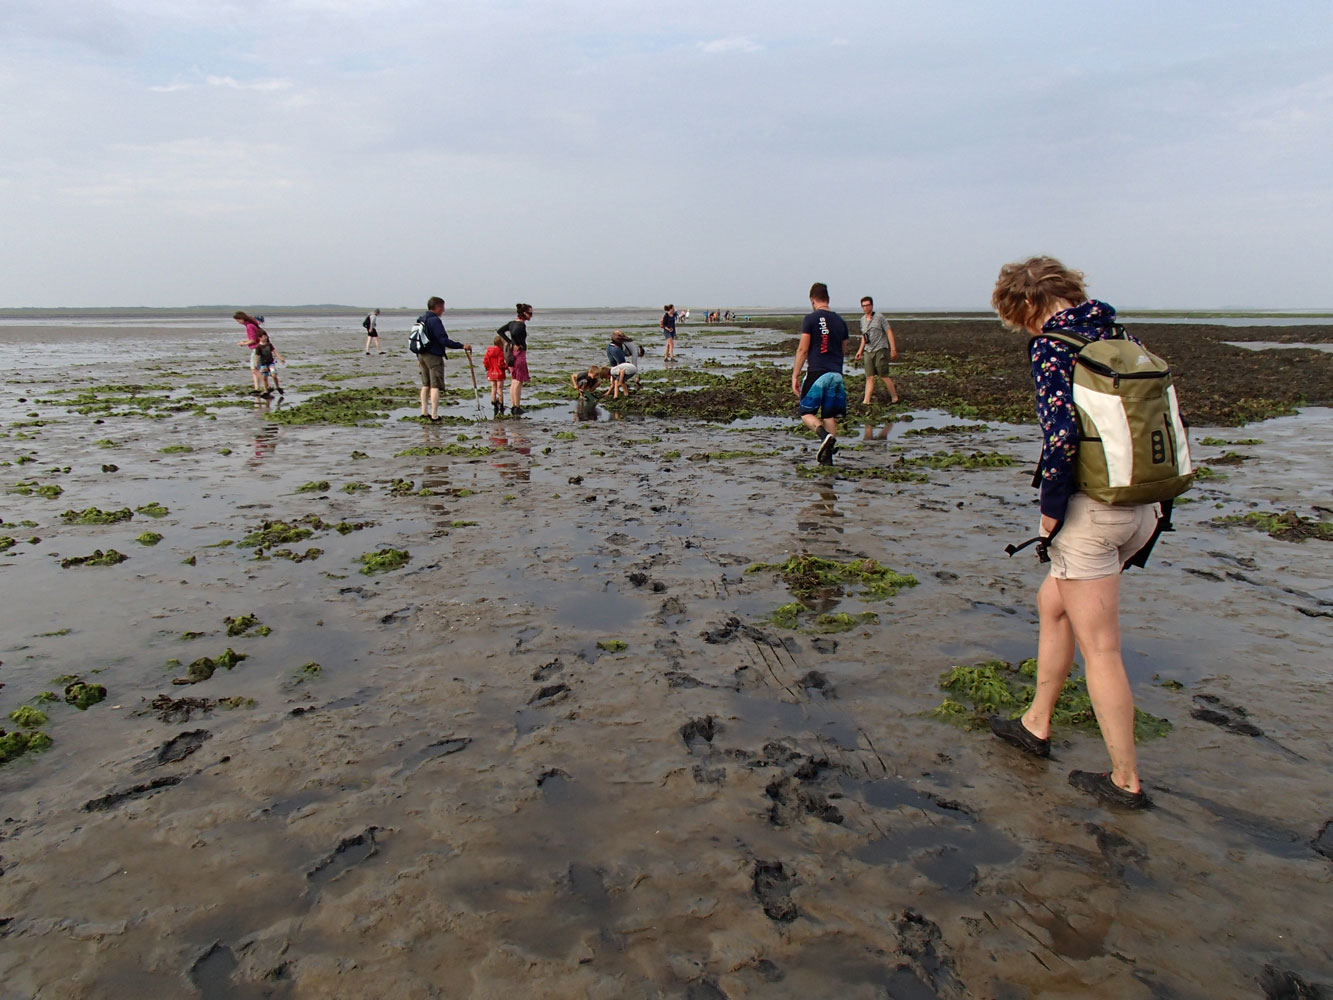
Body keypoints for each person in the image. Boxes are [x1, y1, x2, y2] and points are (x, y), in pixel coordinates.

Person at [987, 255, 1161, 810]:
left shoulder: (1053, 346)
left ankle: (1125, 782)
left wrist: (1050, 514)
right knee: (1052, 602)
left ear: (1030, 305)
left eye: (1021, 318)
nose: (1024, 330)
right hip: (1144, 504)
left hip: (1094, 512)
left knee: (1102, 648)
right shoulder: (1116, 333)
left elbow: (1061, 437)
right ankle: (1036, 722)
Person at [791, 282, 849, 465]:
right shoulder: (841, 322)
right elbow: (843, 348)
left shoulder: (811, 319)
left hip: (817, 372)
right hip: (836, 374)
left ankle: (824, 435)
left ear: (812, 300)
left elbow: (803, 349)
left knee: (806, 412)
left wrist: (795, 375)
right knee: (829, 416)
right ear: (828, 299)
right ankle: (828, 458)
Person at [415, 296, 471, 423]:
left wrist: (418, 357)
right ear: (437, 306)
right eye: (442, 307)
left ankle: (424, 412)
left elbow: (417, 339)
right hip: (433, 356)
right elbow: (443, 340)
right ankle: (434, 415)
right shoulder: (434, 320)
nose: (443, 310)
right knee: (435, 385)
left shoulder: (421, 319)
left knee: (425, 384)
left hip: (421, 354)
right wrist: (461, 346)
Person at [854, 295, 899, 405]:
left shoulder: (879, 317)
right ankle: (866, 401)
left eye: (868, 305)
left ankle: (894, 397)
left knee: (883, 375)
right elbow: (864, 337)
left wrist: (893, 349)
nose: (866, 308)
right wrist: (860, 351)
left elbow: (889, 331)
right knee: (869, 376)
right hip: (868, 351)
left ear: (872, 305)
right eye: (863, 306)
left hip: (880, 349)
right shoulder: (862, 320)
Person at [497, 303, 533, 415]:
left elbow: (500, 331)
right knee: (518, 380)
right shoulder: (521, 325)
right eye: (530, 313)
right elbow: (511, 332)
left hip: (512, 354)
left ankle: (514, 405)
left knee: (514, 380)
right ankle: (516, 406)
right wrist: (516, 343)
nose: (531, 316)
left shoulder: (512, 323)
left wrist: (510, 342)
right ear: (524, 313)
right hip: (519, 354)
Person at [233, 310, 265, 394]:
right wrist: (245, 341)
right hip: (260, 348)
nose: (238, 322)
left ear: (241, 319)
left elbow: (253, 340)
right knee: (255, 369)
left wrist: (243, 344)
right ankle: (257, 388)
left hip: (257, 349)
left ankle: (267, 386)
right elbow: (254, 338)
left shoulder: (249, 326)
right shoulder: (252, 324)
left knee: (254, 369)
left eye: (237, 320)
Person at [483, 335, 509, 415]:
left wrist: (487, 368)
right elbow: (500, 363)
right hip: (499, 373)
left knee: (493, 388)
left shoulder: (488, 351)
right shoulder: (500, 352)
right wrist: (506, 367)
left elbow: (485, 361)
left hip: (491, 372)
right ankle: (501, 403)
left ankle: (493, 401)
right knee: (500, 389)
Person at [255, 331, 285, 397]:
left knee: (274, 375)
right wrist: (256, 364)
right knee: (265, 378)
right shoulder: (258, 347)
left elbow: (275, 352)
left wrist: (281, 358)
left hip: (271, 363)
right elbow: (257, 356)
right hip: (263, 364)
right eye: (263, 337)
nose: (265, 338)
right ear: (260, 338)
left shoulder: (269, 344)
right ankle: (266, 390)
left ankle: (278, 387)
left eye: (266, 336)